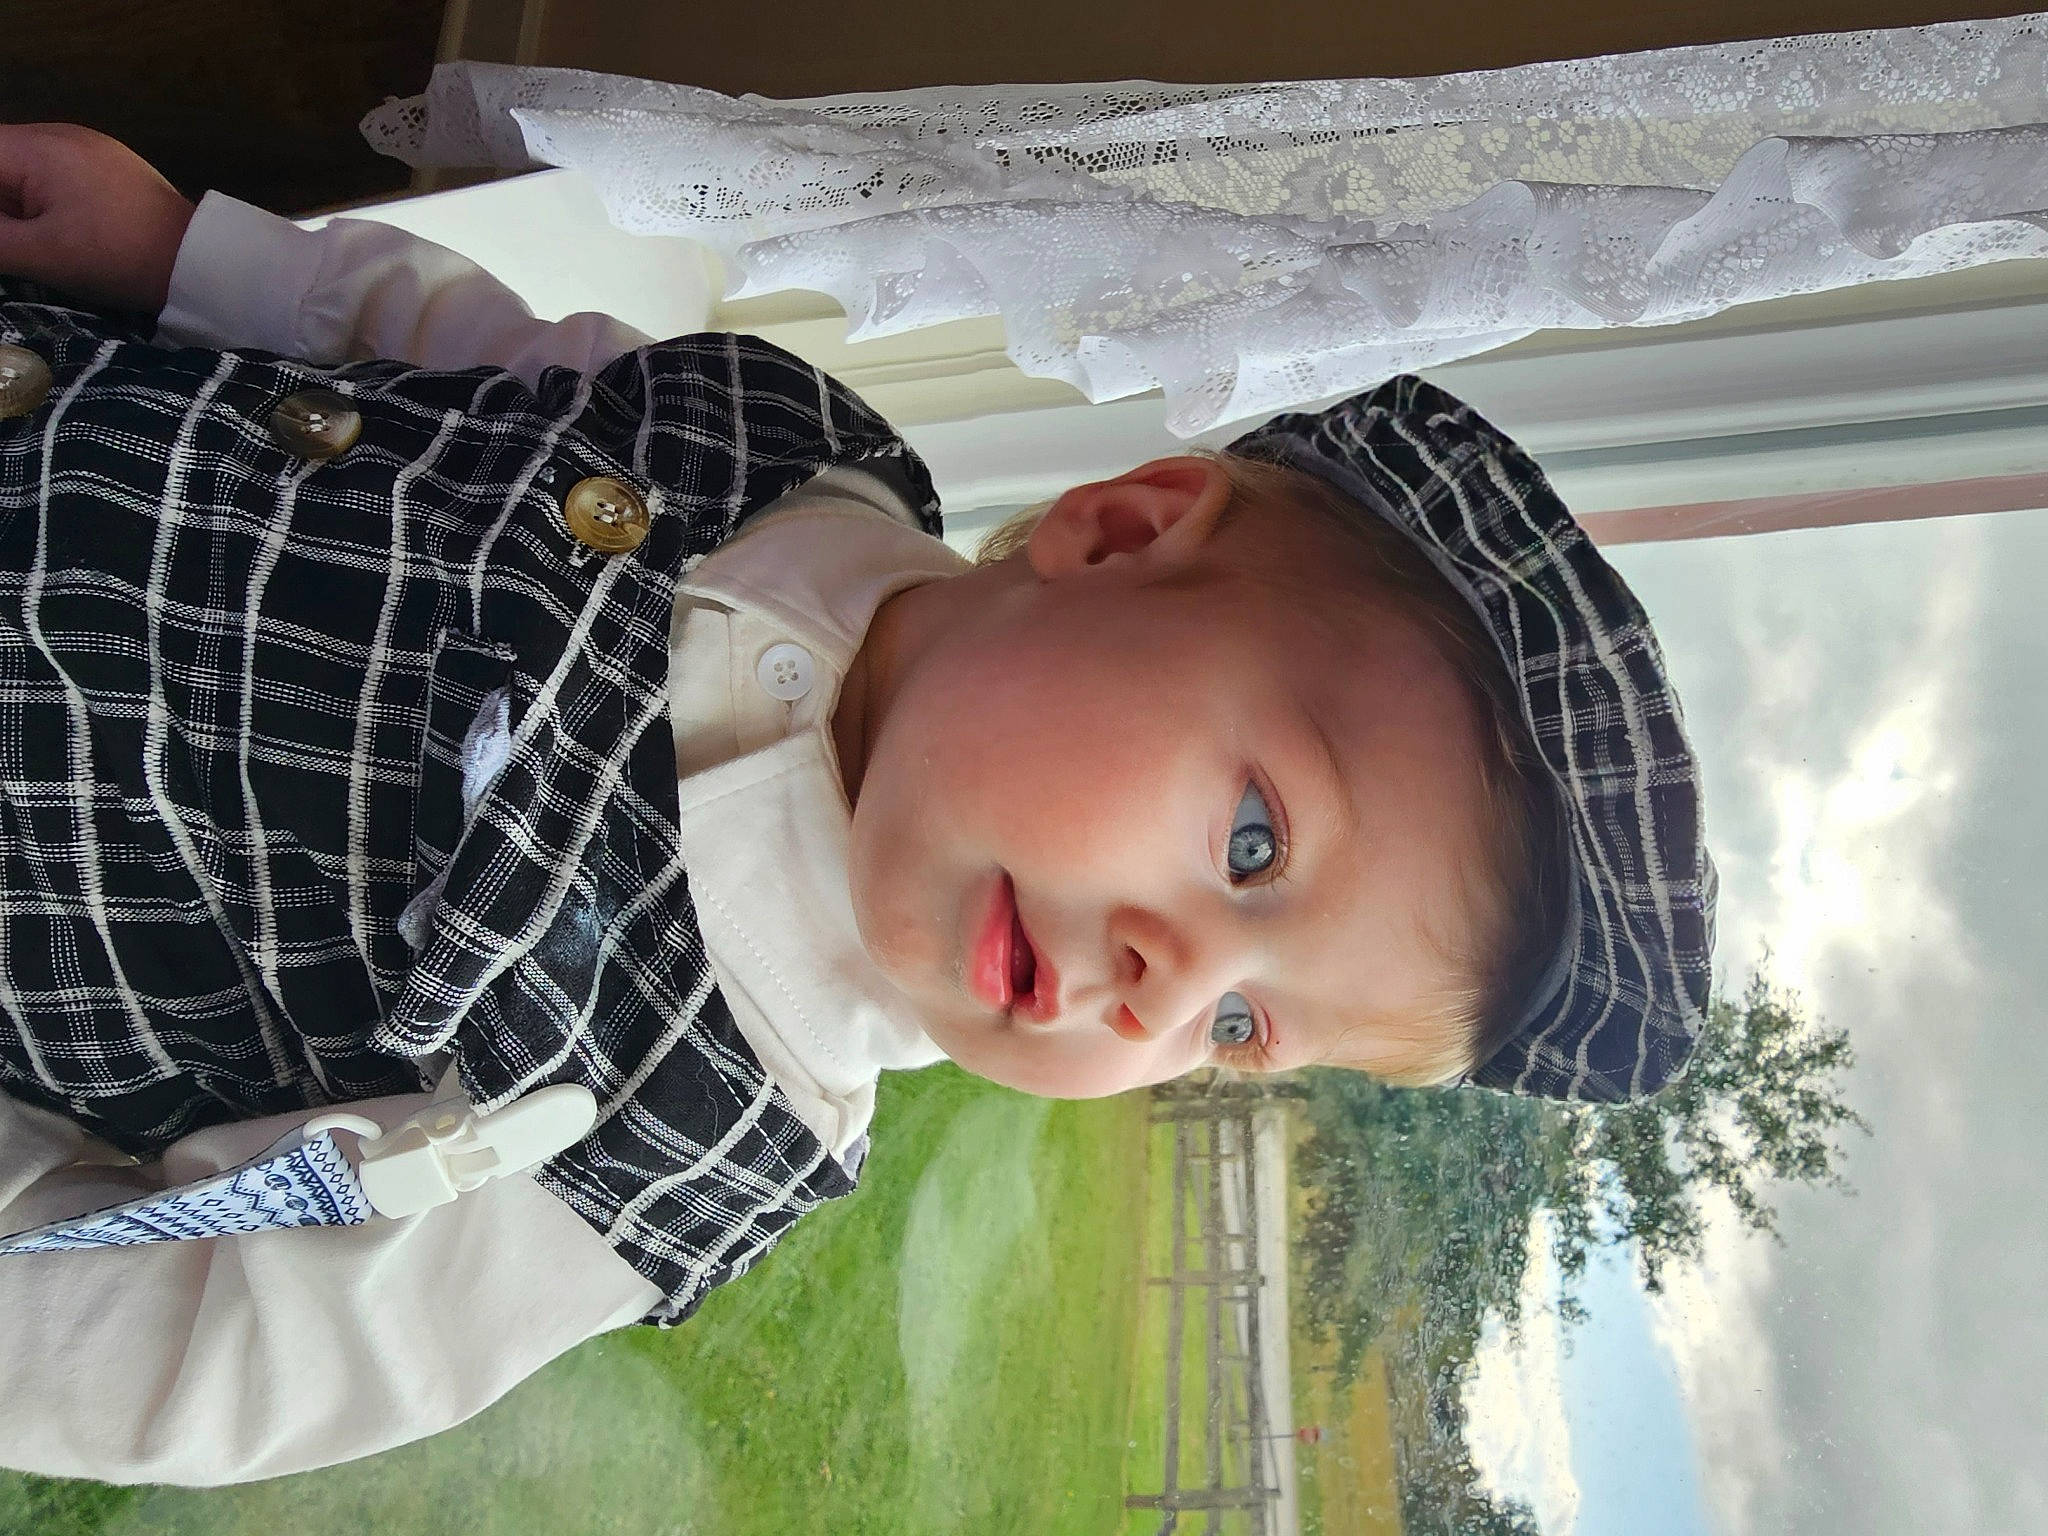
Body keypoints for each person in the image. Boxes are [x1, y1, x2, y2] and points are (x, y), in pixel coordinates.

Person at [0, 123, 1715, 1484]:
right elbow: (460, 355)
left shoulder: (674, 1134)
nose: (1166, 986)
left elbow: (219, 1358)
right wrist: (191, 257)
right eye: (1251, 849)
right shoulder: (785, 453)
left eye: (1245, 1026)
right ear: (1117, 536)